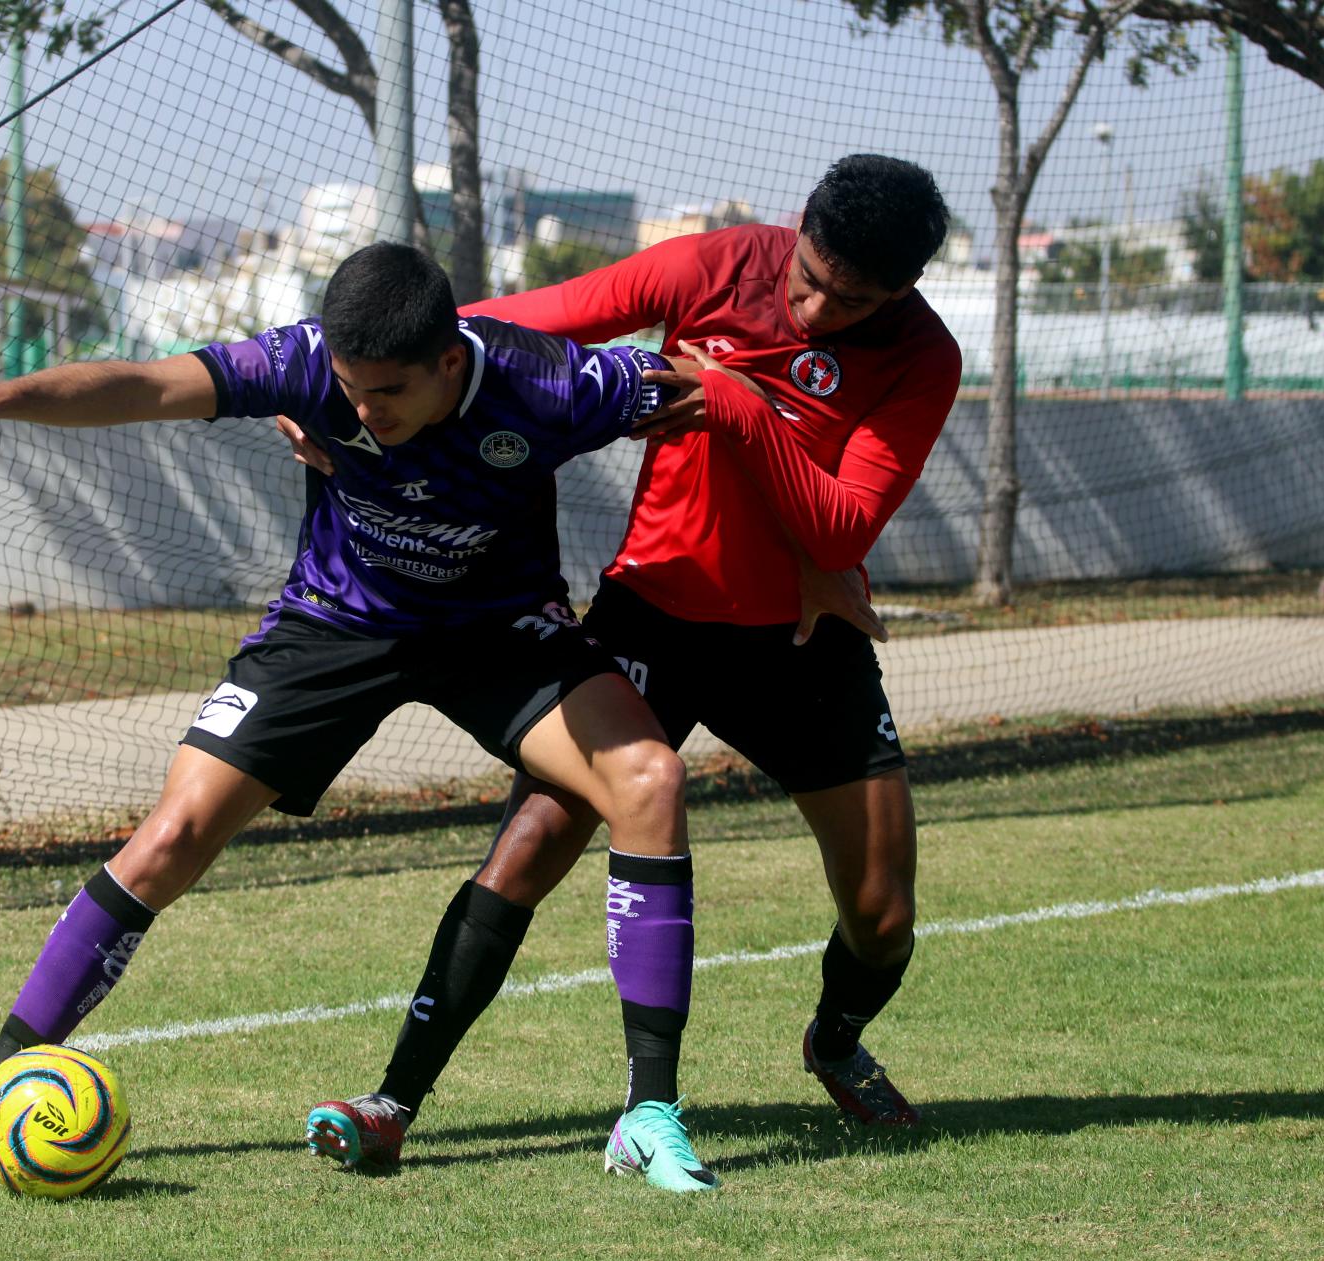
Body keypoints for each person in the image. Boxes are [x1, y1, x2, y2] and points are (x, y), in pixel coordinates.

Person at [0, 242, 722, 1193]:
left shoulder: (553, 383)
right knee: (172, 835)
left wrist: (813, 522)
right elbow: (147, 383)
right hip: (335, 621)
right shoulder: (302, 364)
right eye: (349, 388)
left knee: (651, 779)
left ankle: (648, 1112)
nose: (364, 412)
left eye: (389, 393)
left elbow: (723, 395)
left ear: (453, 361)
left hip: (499, 632)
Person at [295, 154, 962, 1164]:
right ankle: (392, 1100)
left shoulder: (922, 356)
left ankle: (834, 1040)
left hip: (799, 637)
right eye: (810, 277)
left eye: (852, 299)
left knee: (881, 913)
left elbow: (837, 527)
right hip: (651, 617)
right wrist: (337, 380)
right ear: (797, 229)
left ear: (901, 291)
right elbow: (511, 321)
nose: (820, 307)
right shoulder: (714, 266)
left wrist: (733, 400)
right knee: (529, 841)